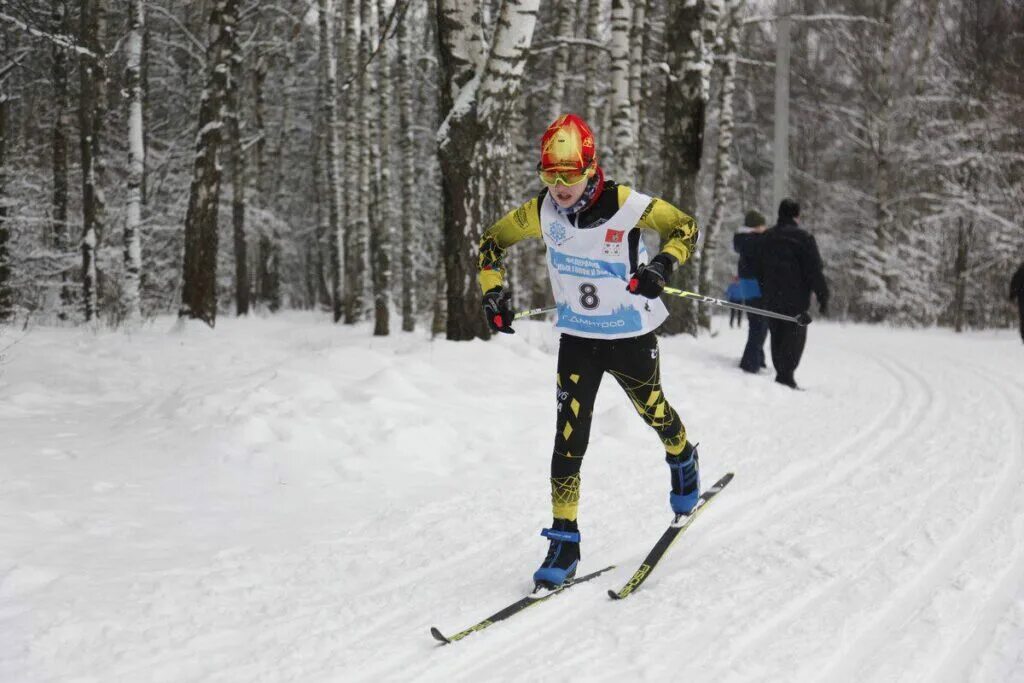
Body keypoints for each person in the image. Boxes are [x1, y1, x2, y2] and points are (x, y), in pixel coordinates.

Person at [477, 114, 702, 589]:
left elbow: (685, 227)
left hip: (630, 336)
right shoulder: (541, 211)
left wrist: (662, 265)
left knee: (654, 412)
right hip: (578, 340)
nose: (559, 188)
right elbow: (491, 243)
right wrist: (492, 294)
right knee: (568, 438)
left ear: (590, 168)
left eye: (570, 176)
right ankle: (564, 541)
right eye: (550, 176)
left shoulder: (626, 204)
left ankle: (682, 456)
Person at [754, 199, 829, 389]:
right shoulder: (804, 238)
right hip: (797, 299)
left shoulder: (767, 236)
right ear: (796, 216)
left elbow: (757, 267)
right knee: (794, 337)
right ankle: (786, 376)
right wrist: (823, 295)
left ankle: (782, 374)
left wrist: (764, 289)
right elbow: (814, 270)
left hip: (772, 297)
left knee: (777, 334)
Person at [733, 209, 768, 373]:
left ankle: (757, 358)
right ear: (755, 226)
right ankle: (750, 362)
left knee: (758, 323)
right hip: (756, 285)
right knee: (759, 324)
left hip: (749, 284)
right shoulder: (754, 240)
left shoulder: (745, 239)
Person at [1011, 260, 1024, 343]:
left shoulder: (1019, 272)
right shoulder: (1019, 273)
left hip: (1022, 299)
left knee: (1023, 318)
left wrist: (1012, 296)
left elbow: (1014, 285)